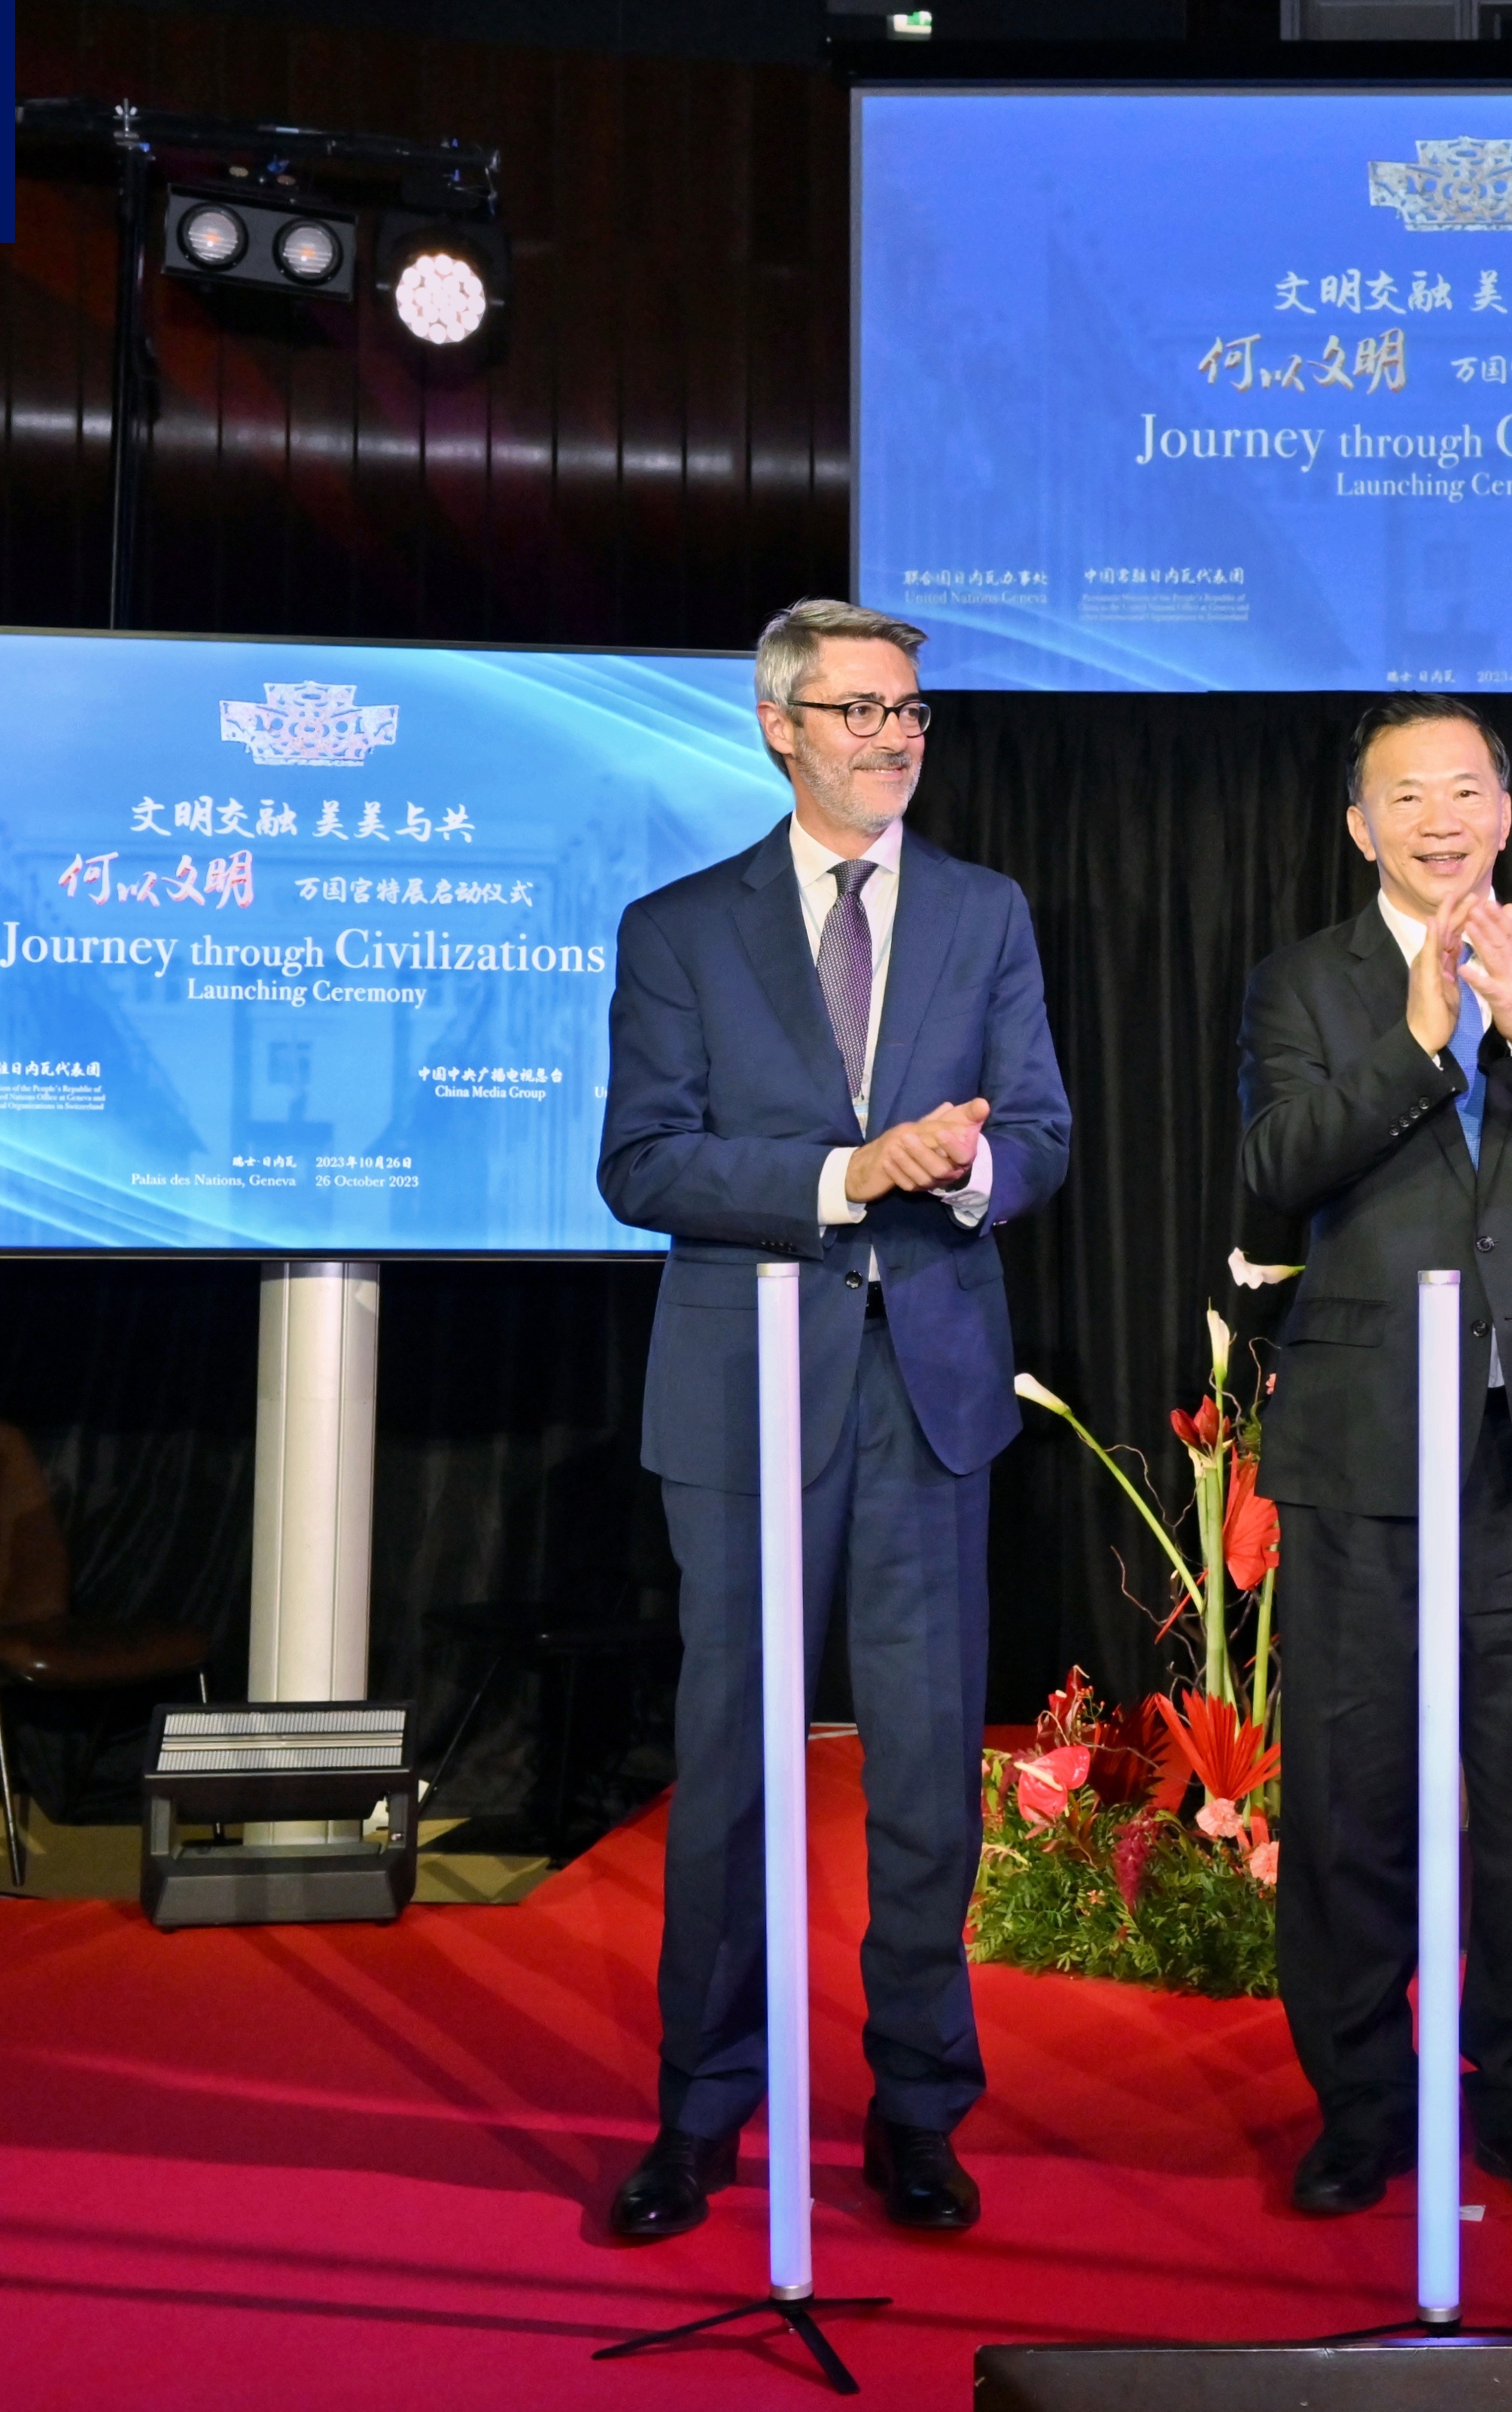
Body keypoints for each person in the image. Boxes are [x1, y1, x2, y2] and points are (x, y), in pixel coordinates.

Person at [595, 597, 1072, 2243]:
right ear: (779, 725)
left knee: (929, 1771)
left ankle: (920, 2110)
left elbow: (1044, 1132)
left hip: (930, 1392)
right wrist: (842, 1174)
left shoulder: (985, 911)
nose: (893, 737)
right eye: (860, 709)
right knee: (734, 1768)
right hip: (745, 1393)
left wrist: (974, 1163)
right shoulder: (680, 928)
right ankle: (700, 2115)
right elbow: (643, 1161)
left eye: (911, 712)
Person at [1239, 696, 1512, 2222]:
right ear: (1359, 825)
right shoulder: (1307, 980)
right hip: (1363, 1448)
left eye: (1467, 790)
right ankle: (1363, 2102)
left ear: (1507, 810)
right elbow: (1277, 1165)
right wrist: (1422, 1041)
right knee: (1351, 1794)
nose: (1441, 819)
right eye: (1407, 796)